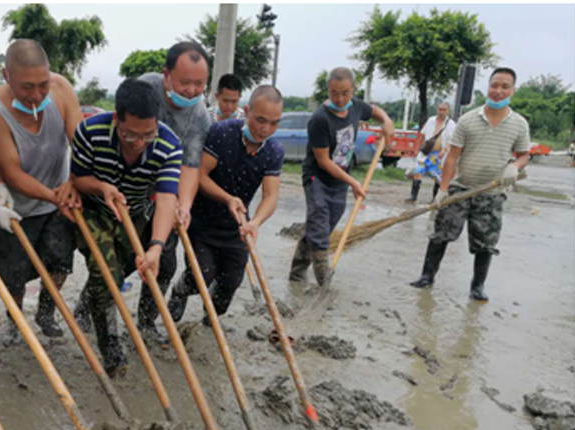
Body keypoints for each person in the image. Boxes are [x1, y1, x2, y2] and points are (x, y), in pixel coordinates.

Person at [74, 42, 209, 347]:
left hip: (149, 198)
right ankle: (100, 330)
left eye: (199, 84)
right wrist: (101, 186)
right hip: (106, 200)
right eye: (184, 82)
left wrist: (175, 218)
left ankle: (144, 322)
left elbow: (181, 177)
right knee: (109, 269)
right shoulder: (133, 99)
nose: (191, 90)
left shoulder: (185, 129)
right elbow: (79, 176)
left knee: (151, 264)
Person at [70, 78, 183, 376]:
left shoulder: (169, 145)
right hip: (94, 209)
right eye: (131, 135)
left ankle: (86, 304)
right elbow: (77, 180)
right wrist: (103, 187)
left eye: (148, 134)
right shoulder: (90, 131)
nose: (139, 143)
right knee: (105, 274)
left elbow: (167, 199)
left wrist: (156, 247)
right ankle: (112, 352)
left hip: (135, 213)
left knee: (123, 269)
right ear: (117, 119)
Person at [0, 39, 82, 345]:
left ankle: (46, 311)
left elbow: (80, 144)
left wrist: (73, 182)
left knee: (59, 263)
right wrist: (55, 195)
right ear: (6, 75)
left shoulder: (62, 89)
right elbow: (12, 173)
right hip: (16, 205)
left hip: (58, 202)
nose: (37, 95)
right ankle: (14, 319)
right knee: (12, 274)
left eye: (43, 84)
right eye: (27, 87)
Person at [410, 67, 531, 302]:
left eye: (505, 86)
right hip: (461, 187)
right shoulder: (468, 120)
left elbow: (525, 155)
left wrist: (514, 167)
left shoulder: (519, 124)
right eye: (494, 85)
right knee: (441, 234)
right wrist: (443, 189)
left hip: (492, 191)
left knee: (485, 242)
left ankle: (477, 286)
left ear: (512, 91)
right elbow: (452, 157)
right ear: (488, 86)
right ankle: (427, 276)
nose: (498, 91)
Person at [169, 85, 284, 322]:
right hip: (202, 221)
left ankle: (209, 318)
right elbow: (200, 176)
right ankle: (180, 291)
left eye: (274, 123)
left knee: (230, 282)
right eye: (260, 120)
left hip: (237, 227)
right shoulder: (221, 133)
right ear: (246, 111)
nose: (266, 129)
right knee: (202, 274)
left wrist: (256, 223)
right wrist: (228, 198)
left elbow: (270, 196)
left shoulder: (274, 150)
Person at [288, 67, 395, 286]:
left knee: (324, 227)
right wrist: (354, 182)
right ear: (328, 89)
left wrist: (387, 121)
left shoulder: (355, 107)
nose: (339, 98)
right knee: (319, 221)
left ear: (352, 90)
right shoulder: (319, 119)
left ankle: (297, 269)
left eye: (345, 93)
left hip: (340, 179)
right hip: (317, 177)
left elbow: (374, 111)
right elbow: (324, 161)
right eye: (334, 93)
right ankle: (323, 281)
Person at [405, 101, 455, 204]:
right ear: (437, 110)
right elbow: (422, 135)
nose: (441, 112)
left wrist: (445, 150)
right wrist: (416, 148)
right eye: (440, 109)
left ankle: (434, 199)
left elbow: (453, 140)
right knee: (418, 172)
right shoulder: (430, 121)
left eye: (444, 110)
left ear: (448, 111)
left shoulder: (451, 124)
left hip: (439, 155)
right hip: (426, 153)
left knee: (437, 178)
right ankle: (413, 197)